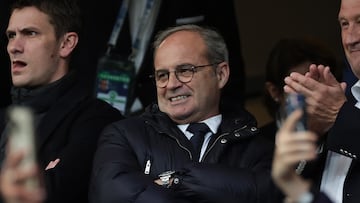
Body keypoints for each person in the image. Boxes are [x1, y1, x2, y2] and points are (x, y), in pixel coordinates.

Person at [89, 24, 274, 203]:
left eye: (185, 70)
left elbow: (272, 194)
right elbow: (110, 196)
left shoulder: (259, 148)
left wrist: (175, 180)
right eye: (162, 75)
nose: (171, 84)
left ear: (221, 74)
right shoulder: (124, 136)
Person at [0, 0, 123, 202]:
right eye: (11, 35)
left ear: (66, 44)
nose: (14, 47)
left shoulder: (97, 119)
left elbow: (51, 194)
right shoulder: (3, 117)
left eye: (30, 33)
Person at [281, 0, 360, 202]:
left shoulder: (344, 112)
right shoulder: (348, 102)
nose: (350, 39)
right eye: (344, 24)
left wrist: (338, 115)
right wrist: (314, 136)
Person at [261, 37, 342, 142]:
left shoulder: (344, 135)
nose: (314, 96)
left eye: (317, 84)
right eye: (300, 87)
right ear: (274, 91)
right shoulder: (258, 146)